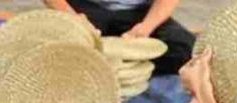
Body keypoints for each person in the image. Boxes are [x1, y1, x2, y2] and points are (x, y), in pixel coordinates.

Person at [43, 0, 194, 75]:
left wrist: (147, 26)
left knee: (185, 49)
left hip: (141, 11)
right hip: (84, 7)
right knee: (50, 52)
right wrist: (73, 18)